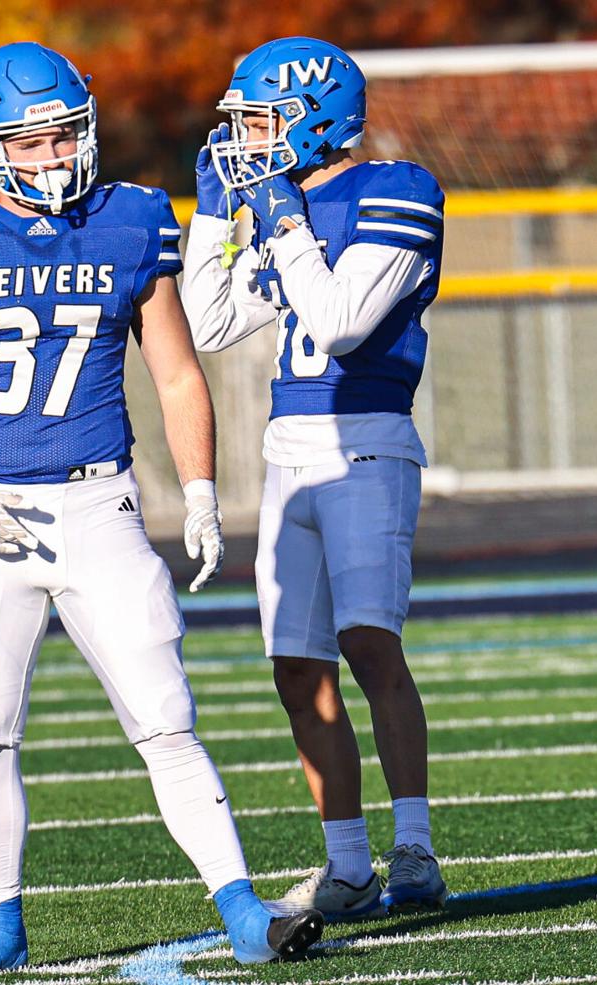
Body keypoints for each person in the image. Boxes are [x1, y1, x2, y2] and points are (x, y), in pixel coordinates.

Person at [0, 41, 324, 978]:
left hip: (99, 503)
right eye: (29, 141)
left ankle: (241, 908)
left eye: (63, 134)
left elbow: (176, 373)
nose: (52, 156)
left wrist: (199, 491)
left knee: (166, 714)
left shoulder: (132, 217)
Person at [180, 36, 447, 921]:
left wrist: (288, 223)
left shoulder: (397, 190)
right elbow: (211, 324)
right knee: (297, 668)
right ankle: (349, 866)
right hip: (287, 452)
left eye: (261, 121)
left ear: (317, 120)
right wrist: (214, 218)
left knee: (370, 644)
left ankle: (414, 849)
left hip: (366, 443)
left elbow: (338, 323)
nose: (245, 139)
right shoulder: (278, 206)